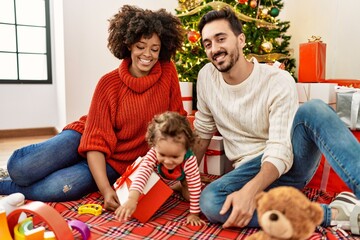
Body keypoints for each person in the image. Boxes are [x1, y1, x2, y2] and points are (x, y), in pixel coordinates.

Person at [0, 5, 187, 212]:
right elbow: (95, 142)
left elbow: (177, 125)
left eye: (155, 48)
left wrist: (181, 177)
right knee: (20, 168)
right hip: (85, 137)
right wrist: (106, 190)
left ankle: (5, 186)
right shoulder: (108, 83)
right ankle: (9, 176)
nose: (148, 55)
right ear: (128, 45)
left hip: (116, 163)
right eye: (140, 46)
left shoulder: (168, 73)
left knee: (58, 188)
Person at [192, 6, 360, 232]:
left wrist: (250, 192)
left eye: (221, 39)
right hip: (246, 169)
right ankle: (330, 214)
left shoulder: (277, 80)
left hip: (288, 162)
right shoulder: (205, 77)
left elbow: (280, 149)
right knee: (211, 202)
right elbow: (202, 132)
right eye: (208, 43)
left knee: (314, 110)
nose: (214, 48)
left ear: (241, 40)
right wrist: (185, 177)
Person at [114, 111, 203, 226]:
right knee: (146, 184)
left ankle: (180, 186)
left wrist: (194, 213)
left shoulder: (189, 159)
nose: (168, 161)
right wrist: (132, 199)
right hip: (158, 175)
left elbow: (195, 185)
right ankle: (171, 186)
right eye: (162, 155)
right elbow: (142, 174)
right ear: (153, 145)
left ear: (186, 149)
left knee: (189, 197)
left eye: (175, 156)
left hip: (182, 176)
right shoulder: (153, 153)